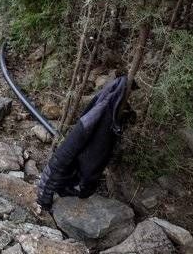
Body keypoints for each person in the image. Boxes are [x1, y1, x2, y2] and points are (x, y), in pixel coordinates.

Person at [35, 76, 135, 213]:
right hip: (75, 172)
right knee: (68, 158)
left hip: (78, 174)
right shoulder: (104, 107)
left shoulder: (107, 103)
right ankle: (65, 186)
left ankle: (66, 186)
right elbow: (64, 155)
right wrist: (44, 196)